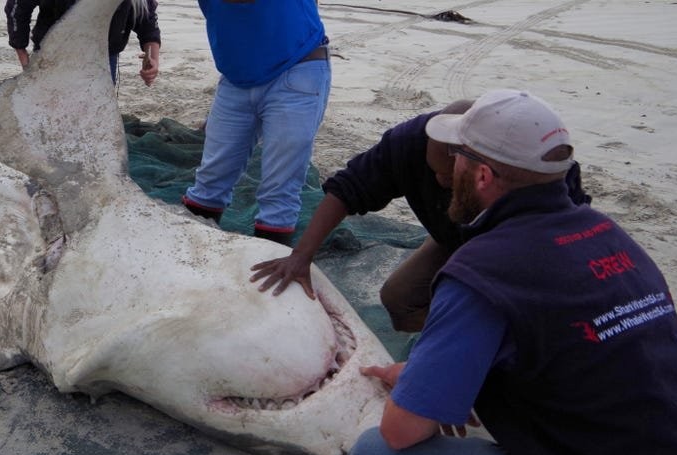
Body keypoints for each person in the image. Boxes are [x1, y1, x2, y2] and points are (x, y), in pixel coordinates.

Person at [346, 89, 677, 455]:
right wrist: (423, 377)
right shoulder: (609, 236)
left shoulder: (484, 270)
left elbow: (402, 432)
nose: (445, 167)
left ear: (480, 176)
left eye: (457, 155)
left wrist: (420, 393)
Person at [248, 99, 591, 332]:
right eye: (435, 175)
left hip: (526, 254)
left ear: (482, 167)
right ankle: (445, 344)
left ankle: (484, 354)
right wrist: (301, 256)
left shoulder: (534, 167)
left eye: (450, 180)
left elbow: (567, 241)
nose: (441, 183)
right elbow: (347, 189)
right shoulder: (409, 141)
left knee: (511, 320)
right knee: (399, 299)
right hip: (452, 236)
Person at [180, 0, 330, 246]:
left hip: (298, 68)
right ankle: (189, 260)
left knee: (279, 193)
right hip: (236, 76)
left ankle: (268, 274)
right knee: (210, 182)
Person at [5, 0, 161, 86]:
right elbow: (18, 6)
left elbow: (147, 21)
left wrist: (152, 58)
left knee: (94, 118)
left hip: (103, 58)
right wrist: (24, 58)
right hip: (53, 56)